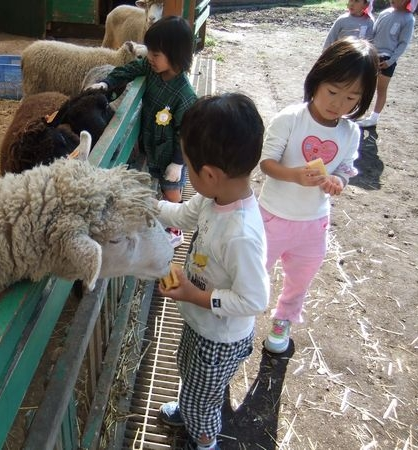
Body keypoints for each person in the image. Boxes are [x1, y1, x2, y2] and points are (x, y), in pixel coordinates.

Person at [156, 94, 269, 450]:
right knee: (189, 372)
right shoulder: (212, 197)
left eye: (188, 166)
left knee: (204, 402)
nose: (187, 173)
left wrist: (195, 295)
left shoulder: (241, 234)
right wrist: (143, 204)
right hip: (199, 322)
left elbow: (254, 300)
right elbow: (180, 216)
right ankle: (188, 408)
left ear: (209, 174)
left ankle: (204, 440)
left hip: (220, 339)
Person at [258, 37, 378, 354]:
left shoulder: (350, 132)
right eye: (333, 91)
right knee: (256, 270)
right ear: (317, 80)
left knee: (301, 278)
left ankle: (283, 320)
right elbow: (267, 163)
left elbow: (346, 168)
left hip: (314, 223)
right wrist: (294, 175)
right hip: (273, 215)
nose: (339, 104)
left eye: (351, 97)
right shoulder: (290, 118)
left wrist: (338, 181)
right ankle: (242, 314)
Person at [88, 15, 197, 248]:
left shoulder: (185, 96)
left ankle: (176, 230)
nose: (149, 58)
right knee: (159, 183)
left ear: (175, 56)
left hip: (171, 154)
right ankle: (163, 217)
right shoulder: (151, 69)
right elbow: (129, 70)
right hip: (152, 145)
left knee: (171, 189)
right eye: (149, 53)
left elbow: (187, 133)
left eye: (155, 55)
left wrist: (178, 163)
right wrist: (107, 83)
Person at [356, 0, 416, 127]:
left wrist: (390, 61)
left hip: (387, 59)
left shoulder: (408, 19)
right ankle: (358, 112)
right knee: (364, 85)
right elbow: (373, 33)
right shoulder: (385, 13)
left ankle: (374, 118)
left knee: (381, 89)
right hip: (372, 54)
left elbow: (403, 43)